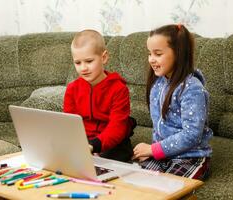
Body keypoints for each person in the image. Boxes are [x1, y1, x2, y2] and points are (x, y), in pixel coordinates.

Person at [132, 24, 213, 180]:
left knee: (168, 187)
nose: (151, 60)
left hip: (191, 157)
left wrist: (153, 150)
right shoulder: (157, 85)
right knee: (136, 181)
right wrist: (151, 153)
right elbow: (158, 126)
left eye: (158, 53)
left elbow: (191, 135)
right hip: (164, 155)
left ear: (178, 53)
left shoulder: (193, 89)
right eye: (149, 54)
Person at [63, 29, 135, 162]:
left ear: (104, 57)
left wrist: (92, 146)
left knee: (113, 155)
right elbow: (70, 124)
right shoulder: (72, 89)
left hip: (112, 142)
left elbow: (117, 128)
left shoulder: (119, 89)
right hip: (84, 141)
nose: (83, 68)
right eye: (78, 63)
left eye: (89, 61)